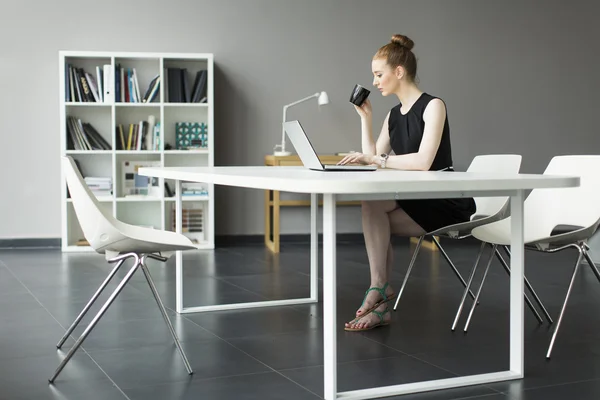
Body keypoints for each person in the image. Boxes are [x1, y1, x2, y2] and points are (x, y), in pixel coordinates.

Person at [339, 34, 476, 331]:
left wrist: (376, 160)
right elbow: (374, 158)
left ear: (398, 72)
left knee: (375, 214)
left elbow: (423, 161)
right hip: (416, 200)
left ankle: (379, 297)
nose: (374, 82)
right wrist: (366, 119)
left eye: (379, 74)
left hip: (444, 202)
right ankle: (379, 290)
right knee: (372, 205)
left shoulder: (433, 106)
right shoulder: (392, 116)